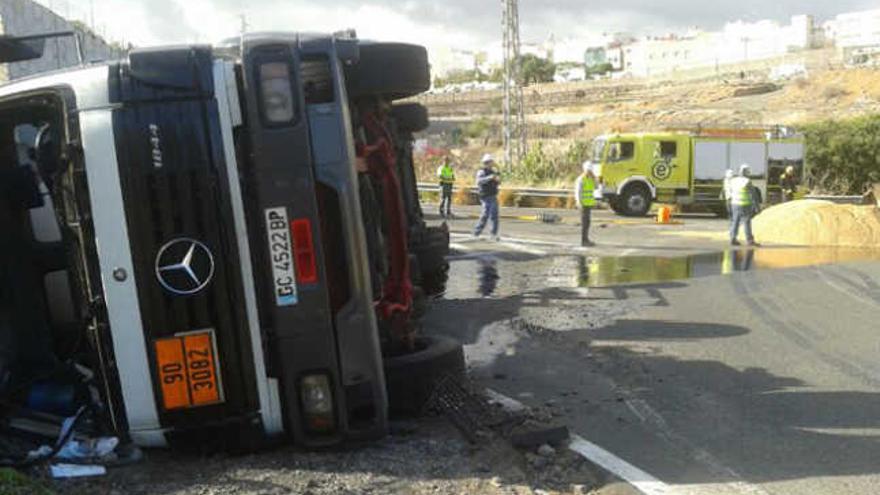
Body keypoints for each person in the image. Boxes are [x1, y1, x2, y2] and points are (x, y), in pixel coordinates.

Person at [729, 163, 761, 246]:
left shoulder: (733, 180)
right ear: (747, 172)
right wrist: (757, 207)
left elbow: (730, 192)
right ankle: (749, 240)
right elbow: (753, 195)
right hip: (745, 204)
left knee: (735, 221)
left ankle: (733, 238)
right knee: (747, 222)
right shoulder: (747, 181)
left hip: (734, 204)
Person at [473, 153, 501, 240]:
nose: (489, 164)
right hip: (485, 196)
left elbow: (498, 182)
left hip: (493, 195)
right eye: (488, 162)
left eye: (490, 162)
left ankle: (493, 233)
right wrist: (490, 178)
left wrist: (497, 179)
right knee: (485, 214)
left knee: (494, 215)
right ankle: (477, 232)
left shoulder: (493, 172)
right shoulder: (481, 172)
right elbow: (479, 182)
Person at [574, 161, 597, 247]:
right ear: (585, 170)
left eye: (591, 171)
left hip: (588, 204)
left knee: (588, 222)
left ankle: (586, 239)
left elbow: (596, 187)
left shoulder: (591, 179)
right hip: (583, 204)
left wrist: (595, 179)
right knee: (585, 223)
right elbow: (577, 192)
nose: (590, 172)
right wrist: (578, 202)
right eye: (589, 170)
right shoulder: (581, 179)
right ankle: (584, 241)